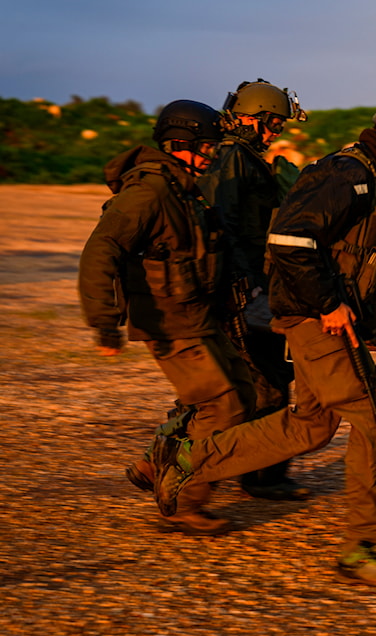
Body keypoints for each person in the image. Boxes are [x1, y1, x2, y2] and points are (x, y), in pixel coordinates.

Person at [147, 98, 376, 588]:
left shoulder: (369, 179)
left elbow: (340, 251)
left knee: (310, 426)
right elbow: (290, 241)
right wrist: (327, 304)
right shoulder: (349, 176)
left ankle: (191, 460)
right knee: (374, 421)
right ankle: (361, 547)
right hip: (319, 321)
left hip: (319, 316)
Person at [78, 100, 256, 536]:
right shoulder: (151, 191)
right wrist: (104, 320)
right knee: (222, 408)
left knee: (245, 392)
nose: (213, 156)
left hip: (197, 315)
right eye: (207, 148)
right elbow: (101, 249)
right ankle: (183, 503)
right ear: (179, 145)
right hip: (169, 321)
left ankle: (153, 462)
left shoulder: (183, 186)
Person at [199, 78, 311, 501]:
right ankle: (251, 475)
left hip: (253, 288)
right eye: (273, 124)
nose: (273, 134)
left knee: (270, 381)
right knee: (258, 387)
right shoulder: (230, 160)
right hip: (239, 292)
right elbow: (222, 227)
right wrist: (244, 286)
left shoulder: (244, 159)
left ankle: (261, 474)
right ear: (251, 118)